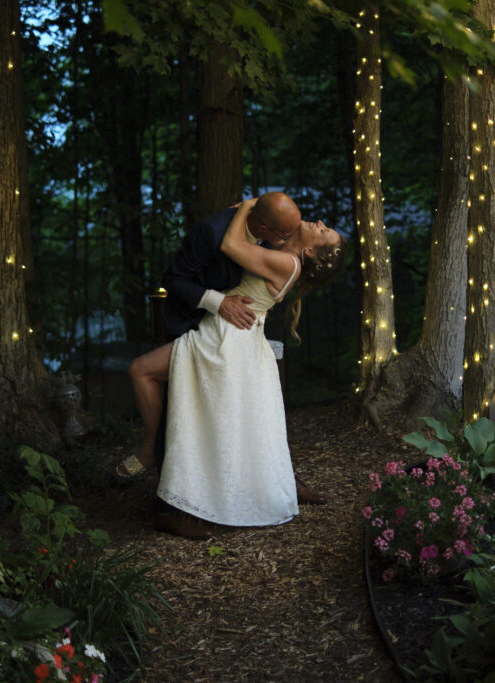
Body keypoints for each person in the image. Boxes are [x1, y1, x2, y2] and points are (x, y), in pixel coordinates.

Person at [128, 197, 345, 537]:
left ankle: (154, 451)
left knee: (143, 370)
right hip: (237, 335)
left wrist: (245, 206)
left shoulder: (286, 263)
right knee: (235, 423)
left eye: (324, 231)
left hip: (224, 338)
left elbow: (232, 245)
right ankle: (174, 470)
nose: (319, 223)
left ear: (311, 253)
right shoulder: (281, 253)